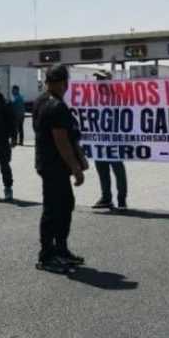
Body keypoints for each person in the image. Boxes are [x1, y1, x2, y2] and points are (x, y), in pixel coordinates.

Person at [33, 64, 89, 273]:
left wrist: (79, 159)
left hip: (47, 163)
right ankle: (47, 255)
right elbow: (61, 140)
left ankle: (60, 250)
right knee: (54, 209)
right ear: (63, 83)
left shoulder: (40, 101)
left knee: (64, 205)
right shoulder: (56, 106)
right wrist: (76, 167)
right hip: (54, 165)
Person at [89, 72, 129, 211]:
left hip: (114, 140)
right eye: (97, 79)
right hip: (98, 140)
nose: (98, 81)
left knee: (118, 170)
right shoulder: (93, 97)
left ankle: (121, 200)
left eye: (101, 79)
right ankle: (106, 198)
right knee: (102, 170)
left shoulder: (118, 97)